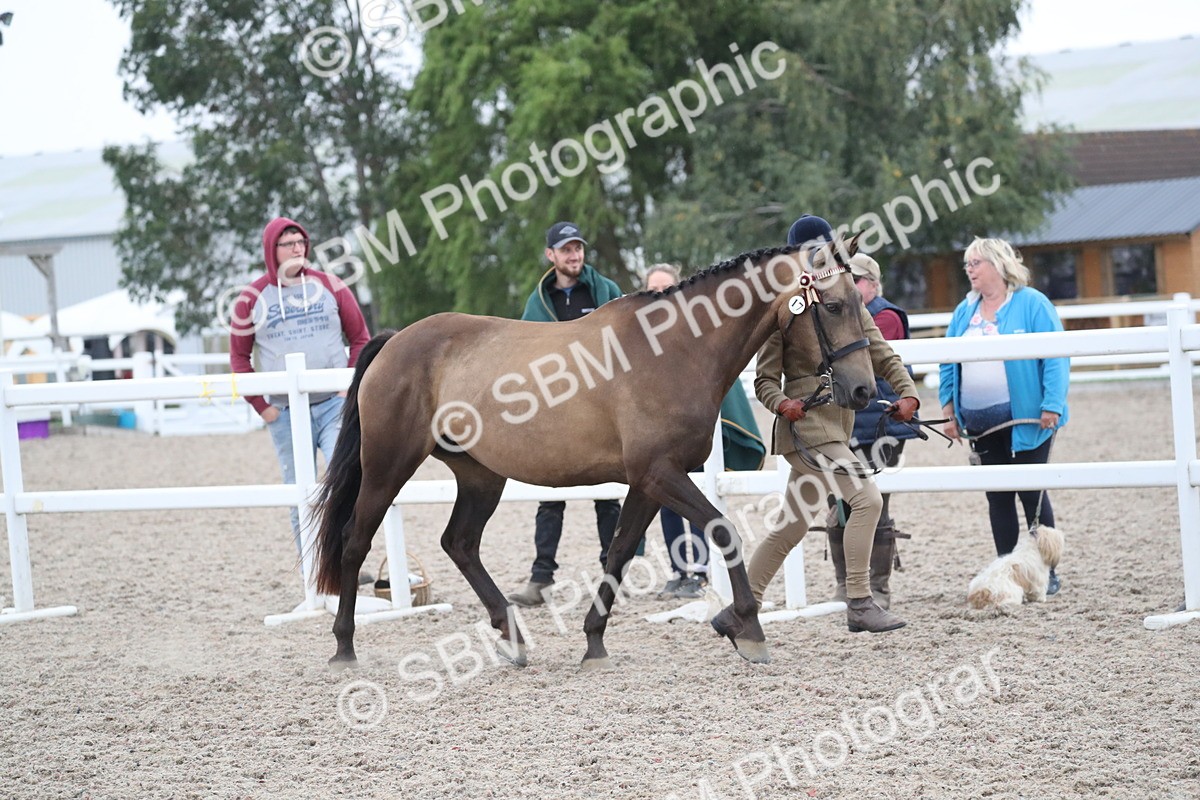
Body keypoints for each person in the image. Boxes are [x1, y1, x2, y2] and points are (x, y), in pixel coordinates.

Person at [746, 214, 920, 633]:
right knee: (867, 500)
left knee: (790, 526)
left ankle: (741, 605)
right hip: (807, 427)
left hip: (837, 423)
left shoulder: (844, 298)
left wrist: (906, 391)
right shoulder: (783, 307)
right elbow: (764, 378)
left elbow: (878, 349)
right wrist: (781, 402)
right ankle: (859, 601)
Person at [230, 217, 371, 557]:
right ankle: (312, 566)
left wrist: (346, 388)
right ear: (272, 250)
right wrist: (261, 406)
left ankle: (346, 561)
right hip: (286, 412)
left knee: (347, 480)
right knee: (300, 491)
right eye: (288, 243)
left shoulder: (331, 286)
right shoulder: (251, 299)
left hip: (334, 406)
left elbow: (360, 339)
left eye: (301, 242)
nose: (297, 249)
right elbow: (239, 358)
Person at [939, 237, 1069, 595]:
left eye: (976, 262)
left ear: (998, 265)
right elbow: (948, 360)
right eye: (967, 264)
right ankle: (1007, 567)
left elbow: (1057, 355)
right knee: (998, 497)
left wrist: (1052, 403)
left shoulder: (1032, 304)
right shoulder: (964, 311)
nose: (970, 270)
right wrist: (948, 408)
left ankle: (1047, 570)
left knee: (1032, 493)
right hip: (981, 422)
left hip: (1027, 420)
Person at [508, 221, 625, 607]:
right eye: (566, 249)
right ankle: (541, 578)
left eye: (578, 248)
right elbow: (525, 354)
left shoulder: (606, 291)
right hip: (556, 409)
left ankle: (613, 576)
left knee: (608, 494)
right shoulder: (537, 302)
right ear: (551, 255)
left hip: (601, 407)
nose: (574, 255)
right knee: (549, 494)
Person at [643, 263, 767, 600]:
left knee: (696, 495)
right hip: (656, 435)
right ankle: (681, 570)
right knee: (664, 503)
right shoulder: (637, 337)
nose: (660, 296)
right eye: (653, 290)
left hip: (691, 430)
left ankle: (701, 569)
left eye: (666, 288)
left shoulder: (698, 330)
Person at [820, 252, 921, 609]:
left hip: (880, 424)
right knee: (837, 504)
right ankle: (844, 583)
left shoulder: (886, 316)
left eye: (859, 281)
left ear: (873, 284)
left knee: (874, 503)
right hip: (844, 422)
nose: (853, 287)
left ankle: (877, 586)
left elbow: (870, 364)